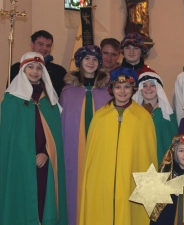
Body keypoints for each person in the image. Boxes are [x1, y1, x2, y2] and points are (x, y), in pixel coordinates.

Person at [79, 66, 158, 225]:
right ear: (112, 89)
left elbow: (147, 156)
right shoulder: (100, 116)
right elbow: (92, 156)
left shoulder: (143, 117)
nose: (122, 91)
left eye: (127, 87)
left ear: (133, 89)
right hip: (104, 181)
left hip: (131, 180)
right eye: (118, 87)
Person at [0, 52, 68, 225]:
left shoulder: (50, 100)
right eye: (30, 67)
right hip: (20, 163)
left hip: (44, 162)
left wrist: (46, 152)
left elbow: (56, 136)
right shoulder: (11, 99)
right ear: (22, 70)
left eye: (39, 68)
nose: (35, 71)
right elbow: (8, 137)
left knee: (44, 199)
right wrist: (25, 155)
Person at [60, 45, 111, 225]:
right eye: (87, 59)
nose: (91, 63)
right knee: (76, 185)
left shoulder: (108, 92)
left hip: (101, 149)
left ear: (99, 63)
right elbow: (63, 123)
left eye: (95, 59)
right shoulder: (67, 92)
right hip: (75, 151)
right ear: (79, 61)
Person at [133, 71, 178, 164]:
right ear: (140, 89)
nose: (148, 88)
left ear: (158, 88)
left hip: (161, 160)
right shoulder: (133, 113)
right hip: (140, 159)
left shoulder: (168, 114)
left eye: (152, 85)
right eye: (144, 85)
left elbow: (173, 141)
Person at [8, 30, 67, 97]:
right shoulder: (17, 68)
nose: (45, 48)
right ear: (32, 44)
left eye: (48, 46)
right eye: (40, 44)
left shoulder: (59, 71)